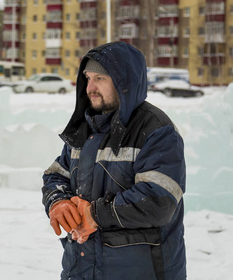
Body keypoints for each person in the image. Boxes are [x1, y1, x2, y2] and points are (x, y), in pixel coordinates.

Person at [42, 41, 186, 280]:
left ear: (124, 83)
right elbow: (56, 175)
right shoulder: (85, 128)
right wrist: (58, 202)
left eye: (100, 79)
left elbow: (159, 200)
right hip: (81, 269)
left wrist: (95, 214)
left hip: (141, 272)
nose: (90, 88)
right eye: (88, 78)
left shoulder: (156, 130)